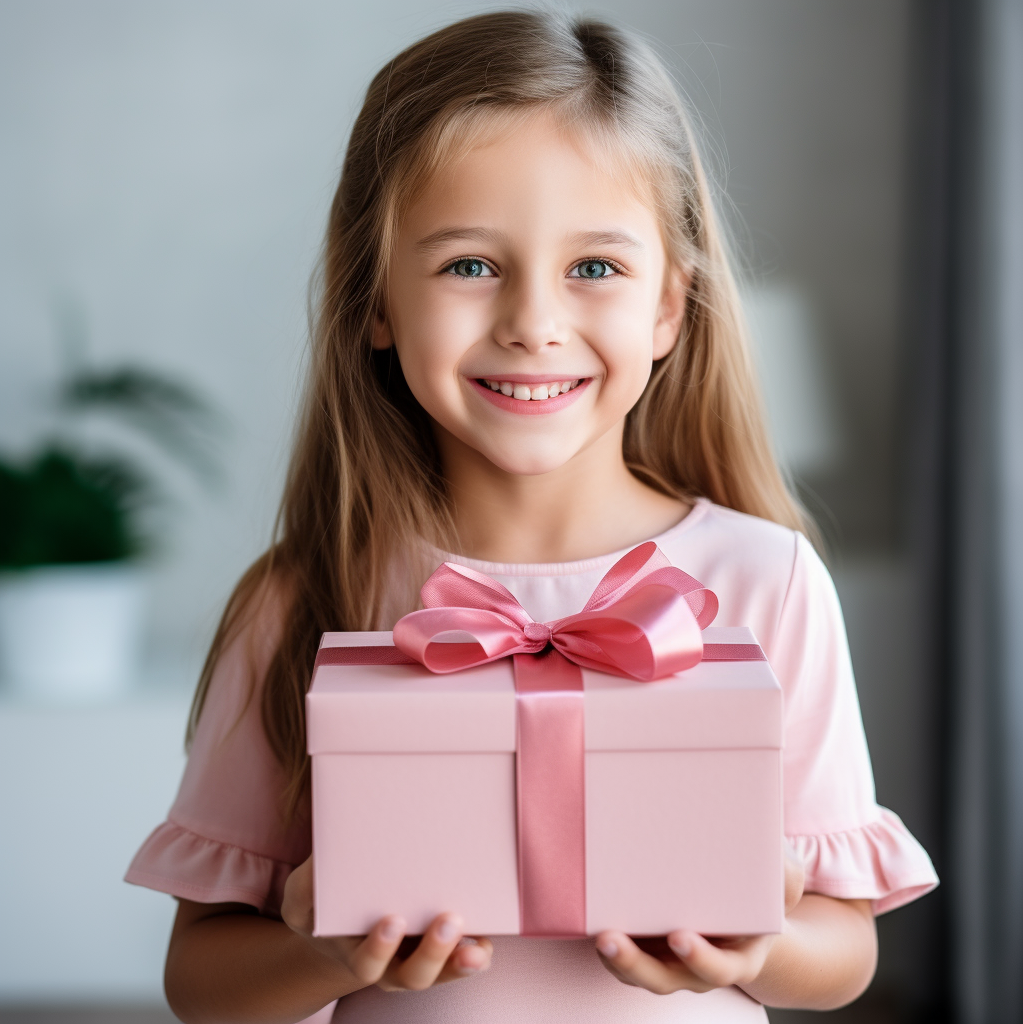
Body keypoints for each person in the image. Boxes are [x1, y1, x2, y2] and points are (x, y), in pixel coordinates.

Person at [126, 11, 938, 1023]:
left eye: (593, 268)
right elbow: (199, 982)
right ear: (376, 302)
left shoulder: (765, 580)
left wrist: (753, 947)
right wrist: (325, 954)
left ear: (668, 309)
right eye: (469, 264)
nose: (532, 323)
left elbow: (844, 950)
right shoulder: (302, 596)